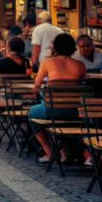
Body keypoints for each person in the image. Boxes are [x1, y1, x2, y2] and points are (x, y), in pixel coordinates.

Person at [29, 33, 88, 166]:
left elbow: (37, 86)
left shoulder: (47, 62)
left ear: (54, 46)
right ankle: (75, 152)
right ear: (73, 48)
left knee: (32, 112)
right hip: (76, 112)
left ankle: (49, 151)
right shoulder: (80, 65)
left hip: (53, 111)